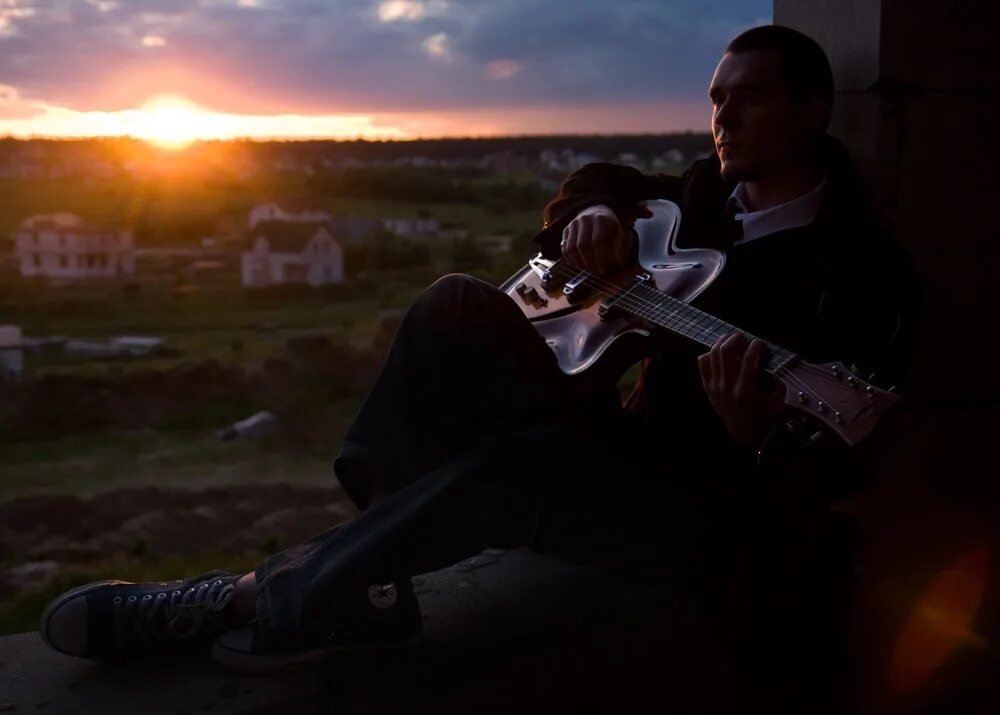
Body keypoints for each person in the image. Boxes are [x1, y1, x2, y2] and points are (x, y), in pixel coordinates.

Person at [39, 24, 918, 699]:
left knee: (518, 468)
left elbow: (849, 473)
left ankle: (255, 596)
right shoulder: (703, 197)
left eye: (749, 99)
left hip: (701, 514)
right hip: (624, 450)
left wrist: (754, 438)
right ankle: (362, 578)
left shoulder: (858, 272)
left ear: (812, 111)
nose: (722, 116)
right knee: (457, 299)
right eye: (715, 96)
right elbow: (603, 185)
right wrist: (591, 215)